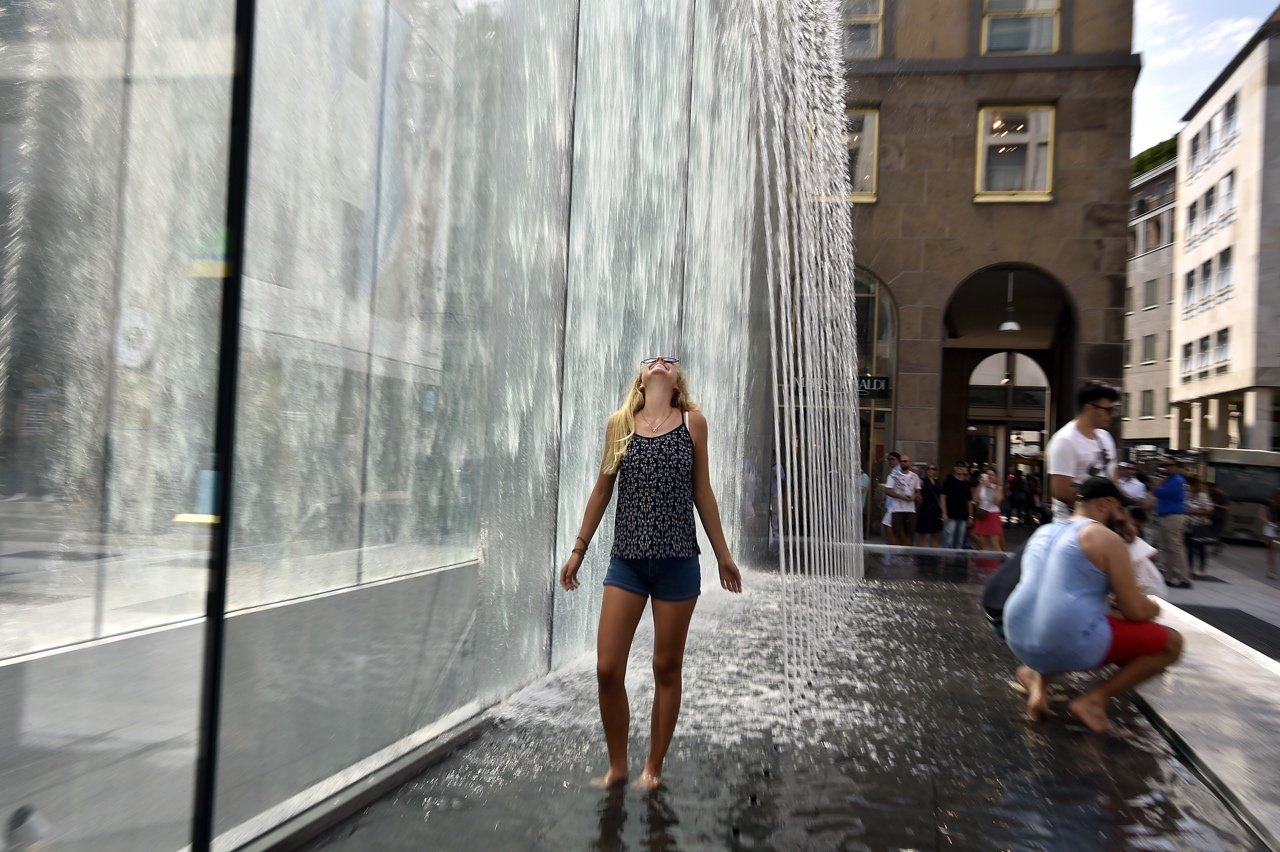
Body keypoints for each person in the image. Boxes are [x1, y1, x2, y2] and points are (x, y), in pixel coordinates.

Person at [559, 355, 742, 791]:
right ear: (641, 377)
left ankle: (653, 768)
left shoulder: (694, 423)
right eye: (651, 360)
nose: (660, 362)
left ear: (677, 379)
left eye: (668, 360)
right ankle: (618, 765)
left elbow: (703, 491)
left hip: (678, 562)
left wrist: (724, 555)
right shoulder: (619, 423)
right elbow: (602, 489)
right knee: (607, 668)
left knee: (666, 667)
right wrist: (578, 550)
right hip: (628, 562)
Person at [1003, 477, 1183, 733]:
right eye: (1120, 509)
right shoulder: (1105, 538)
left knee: (1059, 616)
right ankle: (1094, 701)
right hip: (1064, 641)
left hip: (1017, 636)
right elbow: (1135, 611)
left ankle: (1038, 688)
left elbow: (1051, 594)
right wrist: (1154, 606)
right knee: (1173, 643)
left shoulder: (1044, 531)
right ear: (1105, 504)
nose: (1123, 517)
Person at [1045, 381, 1120, 522]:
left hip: (1104, 521)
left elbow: (1113, 477)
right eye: (1108, 410)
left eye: (1114, 409)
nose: (1112, 415)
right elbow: (1061, 491)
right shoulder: (1064, 440)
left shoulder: (1106, 437)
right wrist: (1096, 509)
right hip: (1072, 524)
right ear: (1089, 408)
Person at [1152, 457, 1191, 588]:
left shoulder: (1177, 480)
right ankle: (1169, 577)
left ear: (1177, 467)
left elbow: (1160, 492)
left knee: (1175, 548)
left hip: (1173, 517)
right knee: (1168, 548)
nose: (1166, 467)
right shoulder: (1169, 480)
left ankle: (1184, 578)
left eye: (1169, 465)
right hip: (1166, 516)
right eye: (1165, 465)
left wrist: (1158, 486)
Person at [1118, 506, 1167, 598]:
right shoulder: (1136, 538)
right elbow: (1154, 557)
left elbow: (1153, 556)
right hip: (1142, 579)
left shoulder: (1132, 538)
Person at [885, 454, 920, 547]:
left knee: (909, 533)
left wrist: (914, 497)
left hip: (910, 509)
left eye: (905, 461)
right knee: (897, 532)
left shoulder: (915, 477)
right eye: (901, 461)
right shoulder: (893, 476)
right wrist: (900, 496)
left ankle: (907, 554)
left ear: (909, 463)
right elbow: (887, 490)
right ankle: (898, 553)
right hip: (897, 509)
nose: (903, 463)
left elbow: (917, 491)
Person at [1184, 475, 1216, 578]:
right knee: (1189, 548)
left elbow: (1209, 510)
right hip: (1188, 525)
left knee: (1200, 547)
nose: (1187, 487)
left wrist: (1193, 511)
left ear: (1194, 485)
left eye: (1189, 485)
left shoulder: (1202, 495)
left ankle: (1202, 568)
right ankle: (1189, 568)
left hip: (1199, 525)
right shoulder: (1188, 495)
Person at [940, 461, 974, 549]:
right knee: (948, 540)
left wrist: (970, 516)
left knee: (960, 541)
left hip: (963, 516)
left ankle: (957, 562)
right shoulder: (948, 481)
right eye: (958, 466)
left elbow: (969, 501)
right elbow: (943, 497)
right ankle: (946, 560)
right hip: (950, 515)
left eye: (962, 467)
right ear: (954, 468)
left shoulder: (967, 484)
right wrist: (944, 513)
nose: (960, 468)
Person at [971, 468, 1004, 552]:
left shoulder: (997, 487)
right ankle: (984, 563)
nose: (989, 476)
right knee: (983, 544)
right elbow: (975, 499)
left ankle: (1000, 562)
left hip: (993, 514)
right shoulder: (981, 486)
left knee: (995, 543)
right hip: (982, 514)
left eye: (992, 474)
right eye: (987, 474)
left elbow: (997, 502)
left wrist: (990, 487)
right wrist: (981, 485)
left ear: (995, 477)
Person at [915, 463, 943, 547]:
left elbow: (941, 495)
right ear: (926, 470)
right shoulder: (922, 481)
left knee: (935, 533)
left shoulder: (938, 482)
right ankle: (919, 554)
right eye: (928, 469)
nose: (931, 470)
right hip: (925, 508)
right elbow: (918, 493)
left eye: (933, 469)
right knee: (922, 533)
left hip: (935, 510)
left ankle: (933, 554)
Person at [880, 452, 901, 544]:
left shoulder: (898, 472)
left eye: (892, 459)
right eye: (889, 459)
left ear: (898, 460)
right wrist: (884, 500)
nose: (890, 461)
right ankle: (893, 544)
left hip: (895, 506)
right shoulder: (893, 471)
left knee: (887, 524)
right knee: (891, 526)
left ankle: (892, 544)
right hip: (892, 505)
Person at [1260, 489, 1280, 581]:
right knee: (1272, 547)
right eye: (1277, 496)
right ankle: (1272, 570)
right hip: (1271, 528)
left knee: (1274, 547)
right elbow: (1261, 514)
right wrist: (1268, 522)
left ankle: (1272, 570)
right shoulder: (1268, 503)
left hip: (1278, 528)